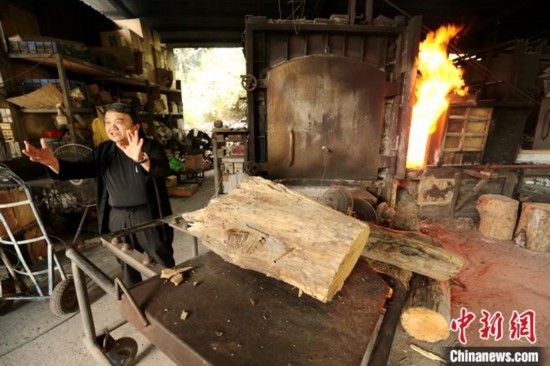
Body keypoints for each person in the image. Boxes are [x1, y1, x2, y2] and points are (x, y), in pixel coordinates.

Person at [22, 102, 175, 286]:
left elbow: (162, 170)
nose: (112, 127)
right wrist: (52, 162)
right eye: (108, 122)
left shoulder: (150, 147)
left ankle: (170, 300)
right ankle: (137, 305)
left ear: (135, 126)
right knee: (127, 265)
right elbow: (77, 169)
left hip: (148, 217)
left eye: (119, 122)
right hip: (116, 217)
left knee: (161, 264)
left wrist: (141, 159)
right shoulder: (104, 151)